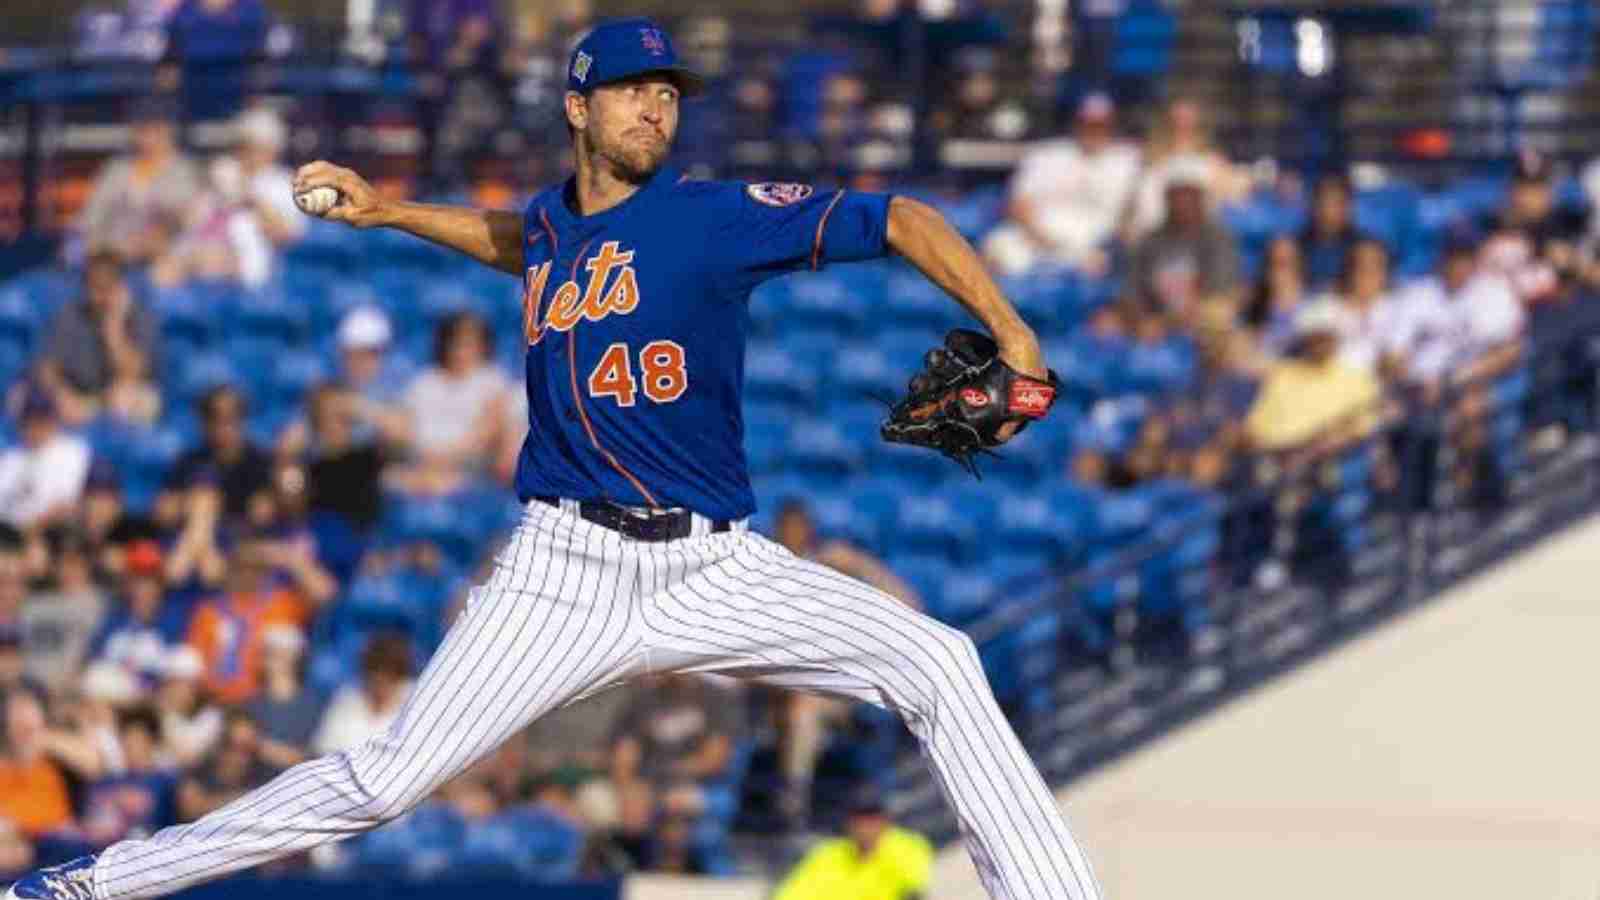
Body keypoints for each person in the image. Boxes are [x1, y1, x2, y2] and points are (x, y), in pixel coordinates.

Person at [9, 18, 1101, 900]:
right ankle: (93, 887)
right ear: (579, 107)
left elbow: (900, 215)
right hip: (562, 571)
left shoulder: (714, 218)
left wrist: (1008, 330)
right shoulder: (548, 225)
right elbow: (511, 239)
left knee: (941, 664)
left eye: (669, 92)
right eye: (633, 89)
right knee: (384, 781)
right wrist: (391, 211)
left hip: (716, 566)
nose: (656, 106)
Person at [982, 92, 1140, 276]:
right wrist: (1040, 239)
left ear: (1111, 125)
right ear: (1077, 122)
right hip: (1035, 239)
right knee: (995, 249)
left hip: (1090, 246)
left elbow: (1131, 215)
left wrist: (1116, 244)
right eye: (1088, 124)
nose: (1094, 131)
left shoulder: (1127, 161)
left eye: (1100, 125)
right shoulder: (1046, 154)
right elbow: (1018, 205)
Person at [608, 674, 735, 863]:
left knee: (677, 804)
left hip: (701, 786)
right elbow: (624, 756)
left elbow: (714, 760)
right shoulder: (643, 699)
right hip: (647, 786)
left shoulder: (713, 697)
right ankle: (629, 870)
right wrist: (628, 789)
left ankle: (676, 871)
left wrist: (664, 782)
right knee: (603, 805)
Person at [395, 312, 518, 495]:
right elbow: (403, 425)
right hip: (421, 461)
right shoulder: (424, 381)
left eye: (470, 343)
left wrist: (445, 458)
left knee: (444, 486)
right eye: (456, 343)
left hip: (469, 469)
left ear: (483, 346)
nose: (461, 350)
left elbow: (488, 432)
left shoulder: (493, 381)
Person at [182, 107, 306, 288]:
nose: (244, 153)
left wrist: (251, 199)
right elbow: (189, 223)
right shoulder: (225, 173)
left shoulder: (283, 182)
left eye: (252, 146)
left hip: (249, 262)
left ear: (271, 149)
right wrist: (208, 188)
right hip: (204, 251)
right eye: (241, 145)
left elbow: (286, 234)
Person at [1243, 300, 1382, 459]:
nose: (1321, 344)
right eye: (1316, 337)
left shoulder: (1359, 380)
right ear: (1305, 339)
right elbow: (1255, 429)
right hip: (1274, 459)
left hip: (1330, 463)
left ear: (1337, 340)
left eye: (1327, 337)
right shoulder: (1280, 373)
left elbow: (1364, 430)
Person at [37, 252, 162, 426]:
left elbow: (133, 373)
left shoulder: (140, 317)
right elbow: (47, 368)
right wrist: (62, 395)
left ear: (120, 287)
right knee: (26, 399)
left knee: (130, 399)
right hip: (78, 396)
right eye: (94, 287)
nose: (100, 296)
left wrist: (113, 329)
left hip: (121, 396)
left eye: (107, 288)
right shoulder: (69, 316)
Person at [184, 542, 314, 706]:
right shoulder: (208, 611)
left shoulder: (281, 603)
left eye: (254, 568)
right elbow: (195, 664)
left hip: (264, 701)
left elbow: (325, 596)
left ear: (264, 573)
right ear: (229, 569)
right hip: (214, 702)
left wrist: (289, 559)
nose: (246, 573)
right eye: (240, 566)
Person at [76, 99, 201, 265]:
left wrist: (153, 238)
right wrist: (100, 244)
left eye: (152, 128)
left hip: (164, 257)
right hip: (112, 256)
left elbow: (187, 219)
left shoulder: (184, 170)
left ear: (167, 130)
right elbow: (90, 217)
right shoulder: (117, 169)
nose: (145, 136)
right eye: (140, 128)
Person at [1124, 157, 1241, 316]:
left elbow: (1221, 289)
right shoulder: (1150, 241)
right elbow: (1134, 290)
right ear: (1167, 197)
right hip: (1157, 323)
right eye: (1177, 194)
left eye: (1189, 194)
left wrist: (1193, 312)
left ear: (1200, 197)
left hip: (1203, 321)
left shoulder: (1218, 238)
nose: (1183, 201)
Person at [774, 789, 933, 900]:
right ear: (848, 821)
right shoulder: (828, 854)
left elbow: (914, 892)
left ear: (885, 819)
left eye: (872, 816)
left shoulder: (908, 847)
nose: (866, 825)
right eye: (860, 817)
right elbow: (791, 894)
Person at [1126, 97, 1248, 241]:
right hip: (1153, 235)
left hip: (1196, 237)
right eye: (1177, 121)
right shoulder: (1150, 160)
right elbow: (1137, 203)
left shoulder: (1211, 160)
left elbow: (1232, 192)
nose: (1182, 126)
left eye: (1187, 120)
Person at [0, 387, 92, 532]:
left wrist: (32, 529)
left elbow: (68, 505)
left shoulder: (73, 451)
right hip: (9, 534)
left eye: (42, 420)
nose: (35, 427)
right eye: (29, 421)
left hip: (52, 533)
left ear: (54, 420)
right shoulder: (10, 458)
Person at [309, 633, 413, 755]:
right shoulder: (347, 698)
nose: (382, 686)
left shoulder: (416, 704)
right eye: (376, 678)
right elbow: (322, 750)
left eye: (390, 678)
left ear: (401, 679)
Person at [240, 625, 321, 770]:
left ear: (295, 656)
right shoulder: (250, 705)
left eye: (277, 652)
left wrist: (281, 754)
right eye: (267, 652)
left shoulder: (313, 706)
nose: (270, 659)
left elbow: (317, 755)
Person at [1297, 172, 1362, 290]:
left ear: (1348, 207)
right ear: (1313, 206)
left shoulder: (1364, 248)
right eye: (1324, 202)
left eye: (1337, 204)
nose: (1329, 211)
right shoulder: (1295, 246)